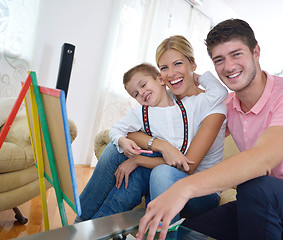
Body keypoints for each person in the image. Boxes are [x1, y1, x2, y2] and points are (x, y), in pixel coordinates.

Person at [136, 18, 283, 240]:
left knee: (255, 185)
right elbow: (186, 141)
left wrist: (184, 188)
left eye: (236, 54)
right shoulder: (227, 106)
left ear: (256, 52)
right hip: (260, 203)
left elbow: (262, 160)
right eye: (219, 60)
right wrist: (149, 143)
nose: (229, 66)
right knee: (188, 233)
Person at [75, 36, 228, 222]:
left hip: (201, 189)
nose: (171, 73)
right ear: (159, 75)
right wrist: (162, 145)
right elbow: (130, 131)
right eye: (164, 68)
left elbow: (187, 166)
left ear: (193, 64)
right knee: (116, 151)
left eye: (178, 64)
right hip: (168, 169)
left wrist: (139, 160)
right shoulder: (166, 99)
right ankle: (85, 226)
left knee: (157, 171)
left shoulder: (210, 104)